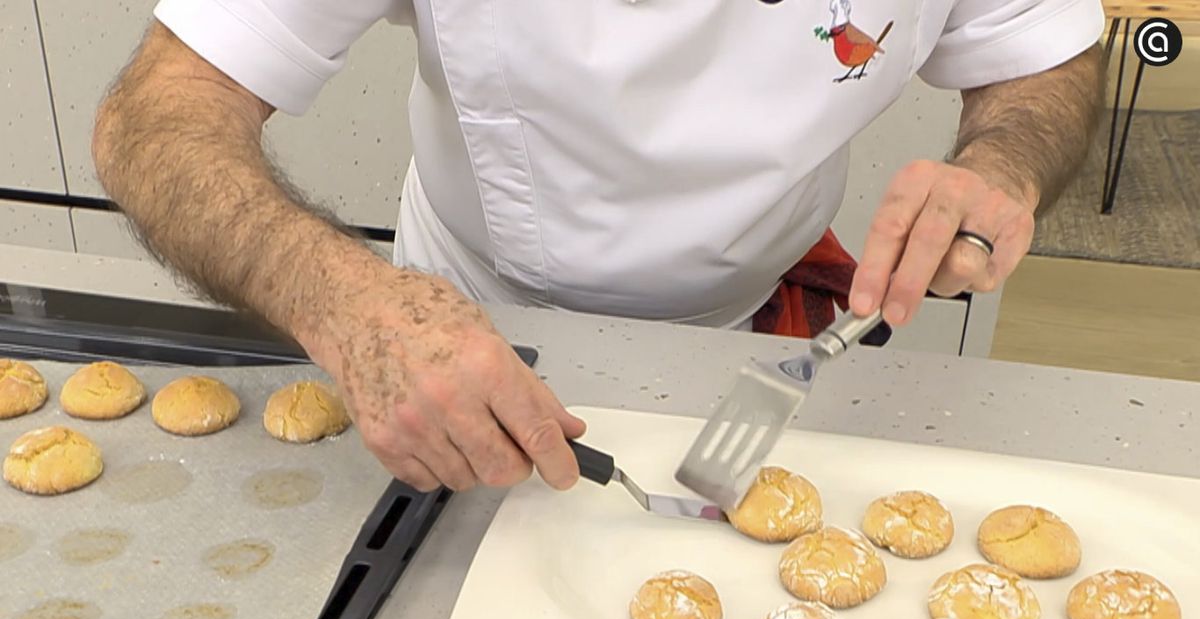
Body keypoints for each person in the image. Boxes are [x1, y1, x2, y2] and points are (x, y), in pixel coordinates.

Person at [93, 0, 1105, 494]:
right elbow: (160, 118)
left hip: (762, 323)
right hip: (462, 340)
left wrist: (1004, 165)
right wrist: (349, 306)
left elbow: (1041, 56)